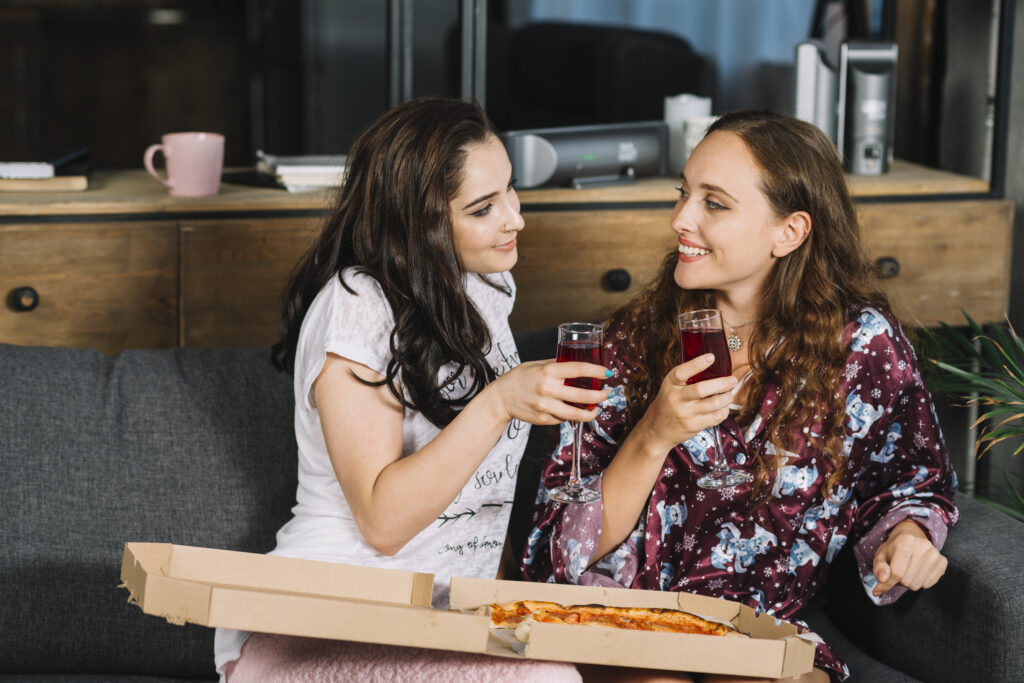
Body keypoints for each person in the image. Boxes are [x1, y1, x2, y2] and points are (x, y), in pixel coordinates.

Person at [521, 110, 958, 682]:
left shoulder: (861, 347)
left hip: (759, 624)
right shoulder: (632, 340)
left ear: (790, 231)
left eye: (714, 203)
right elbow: (556, 549)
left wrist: (909, 534)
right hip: (632, 617)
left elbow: (912, 478)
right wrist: (654, 434)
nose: (680, 218)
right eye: (684, 193)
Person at [214, 96, 608, 681]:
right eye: (483, 208)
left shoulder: (488, 285)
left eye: (510, 191)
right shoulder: (359, 306)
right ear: (418, 222)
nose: (515, 218)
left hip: (436, 616)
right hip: (324, 613)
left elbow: (476, 502)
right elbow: (383, 522)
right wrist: (499, 401)